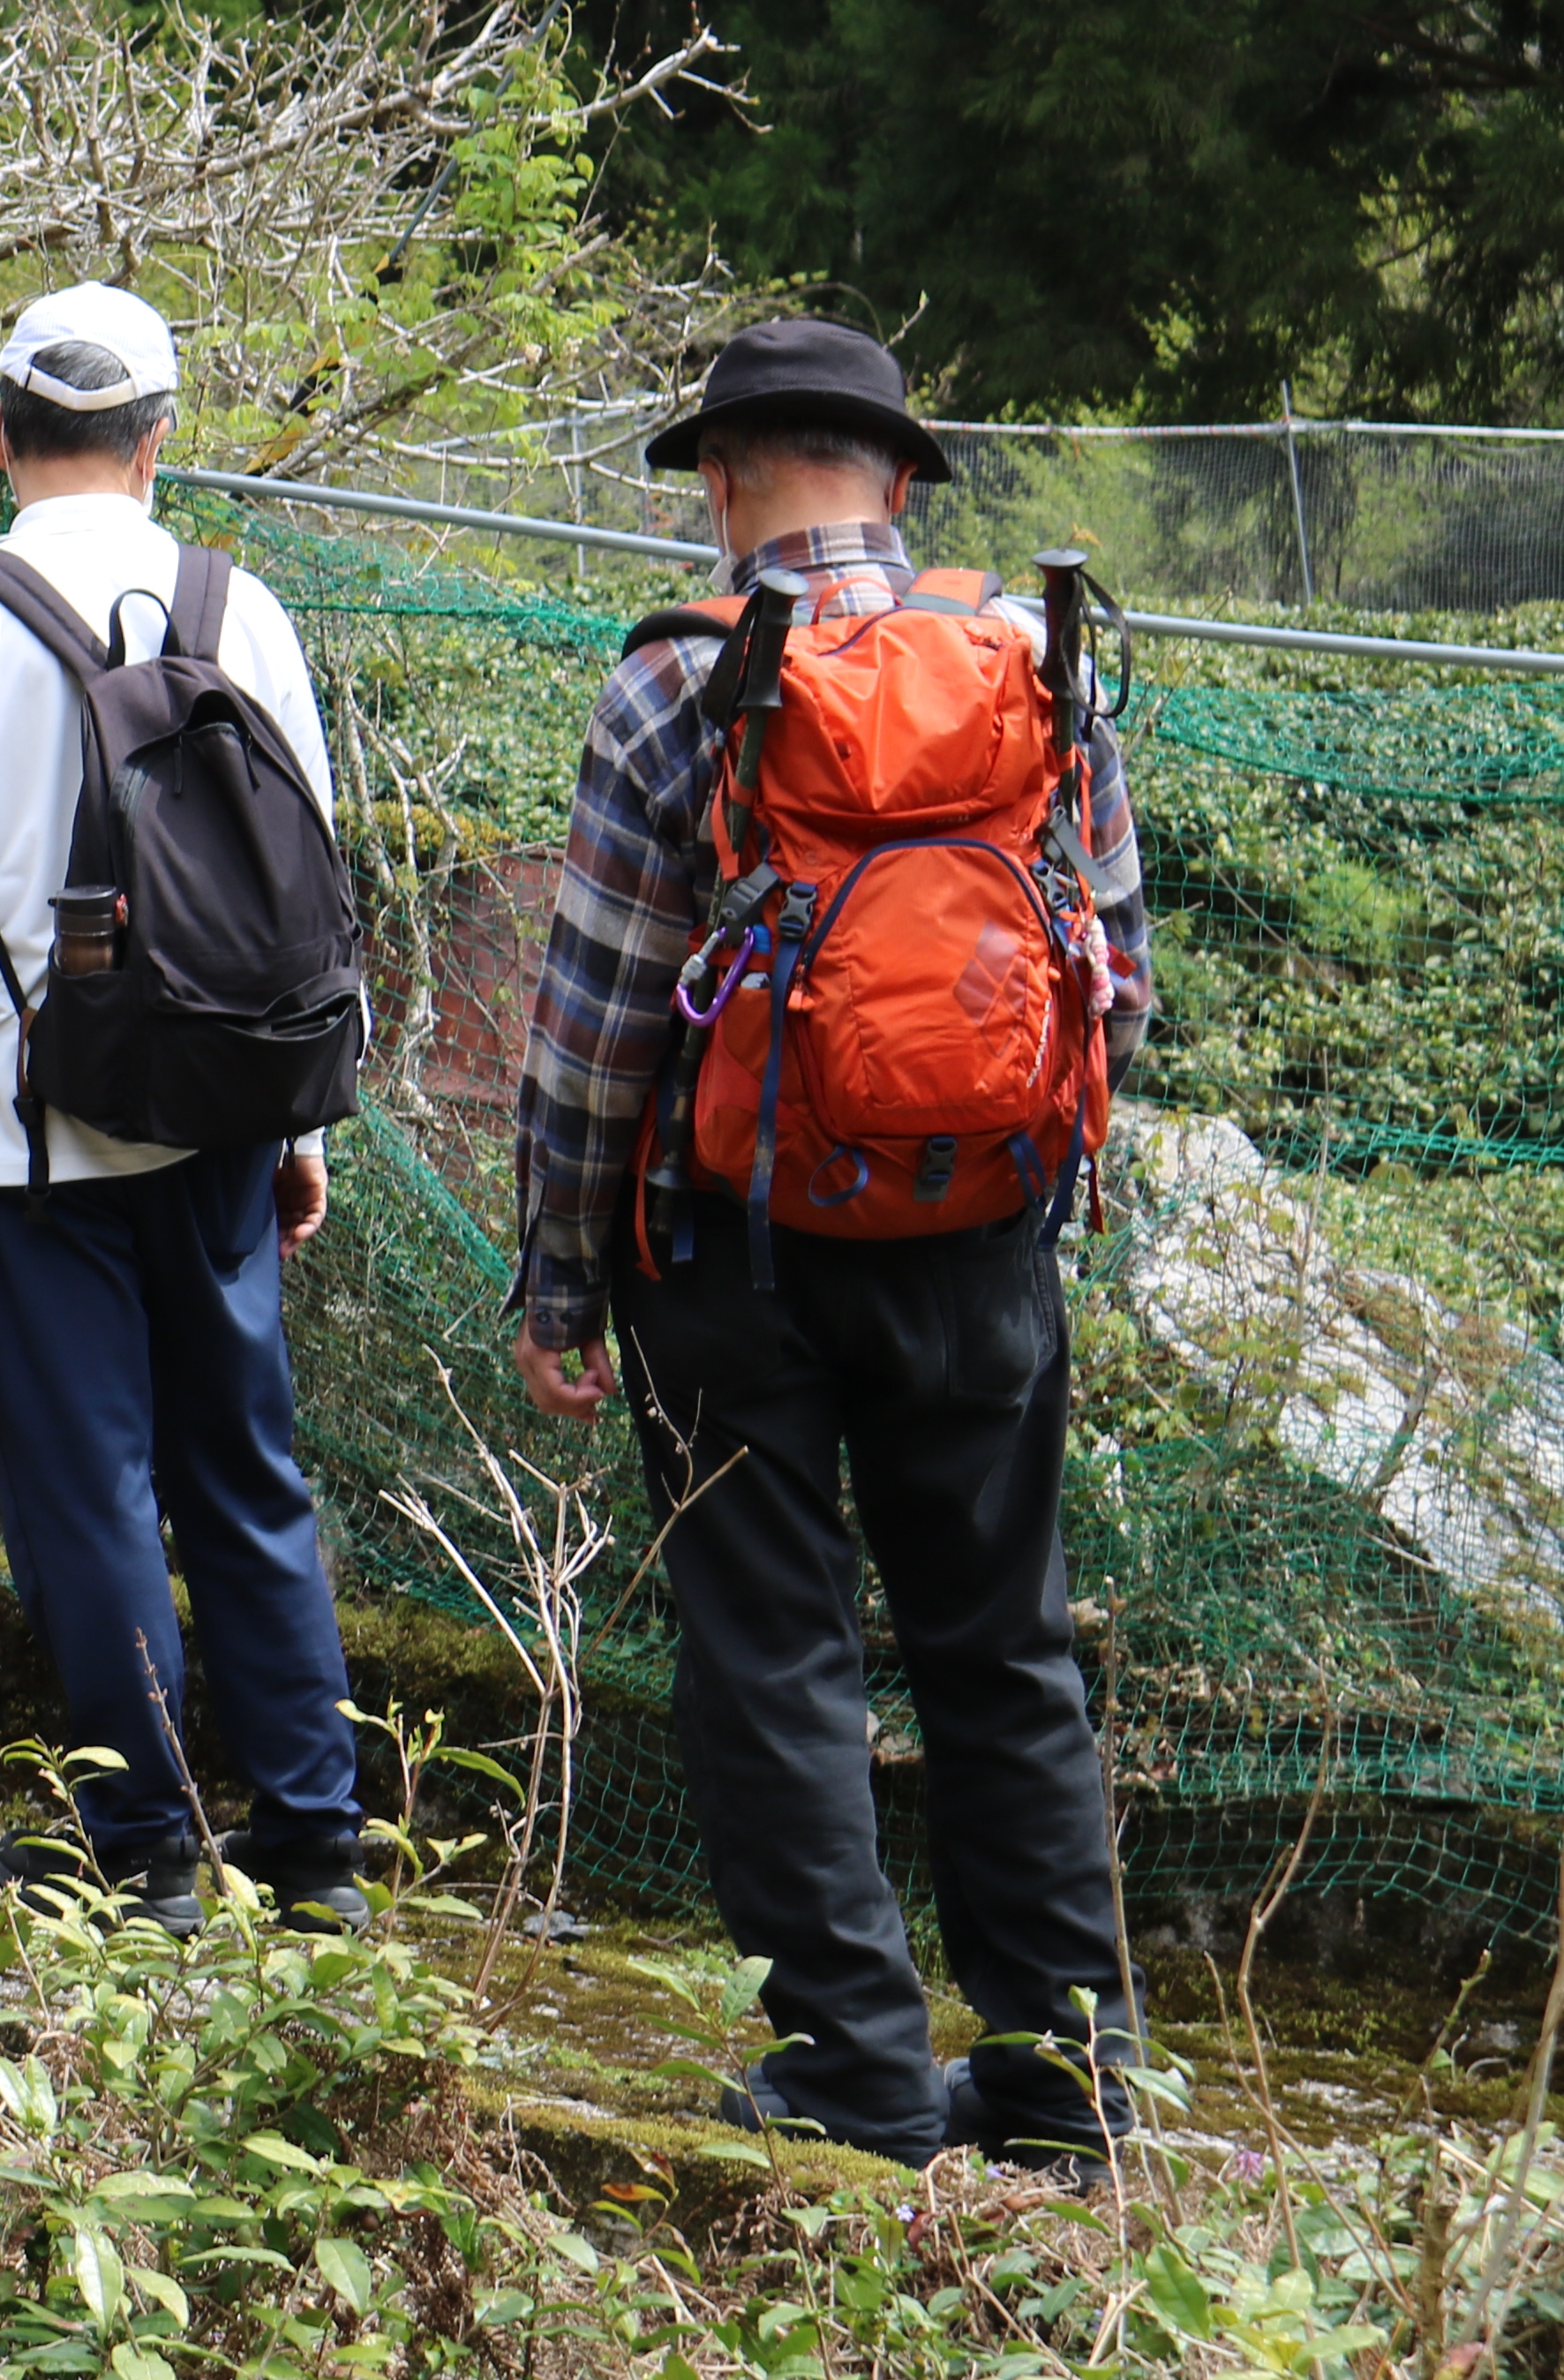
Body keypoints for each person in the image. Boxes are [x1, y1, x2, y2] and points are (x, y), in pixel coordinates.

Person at [511, 318, 1153, 2167]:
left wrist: (560, 1279)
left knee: (778, 1651)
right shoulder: (1036, 658)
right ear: (895, 477)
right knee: (1007, 1648)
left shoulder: (678, 689)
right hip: (984, 1240)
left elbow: (597, 1032)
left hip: (734, 1255)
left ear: (721, 483)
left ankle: (861, 2078)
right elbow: (1116, 974)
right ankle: (1064, 2093)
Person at [0, 284, 365, 1935]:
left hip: (39, 1128)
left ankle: (144, 1841)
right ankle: (315, 1844)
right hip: (227, 1110)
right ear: (160, 443)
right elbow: (304, 892)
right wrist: (299, 1126)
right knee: (248, 1467)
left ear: (0, 435)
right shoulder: (244, 604)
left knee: (87, 1482)